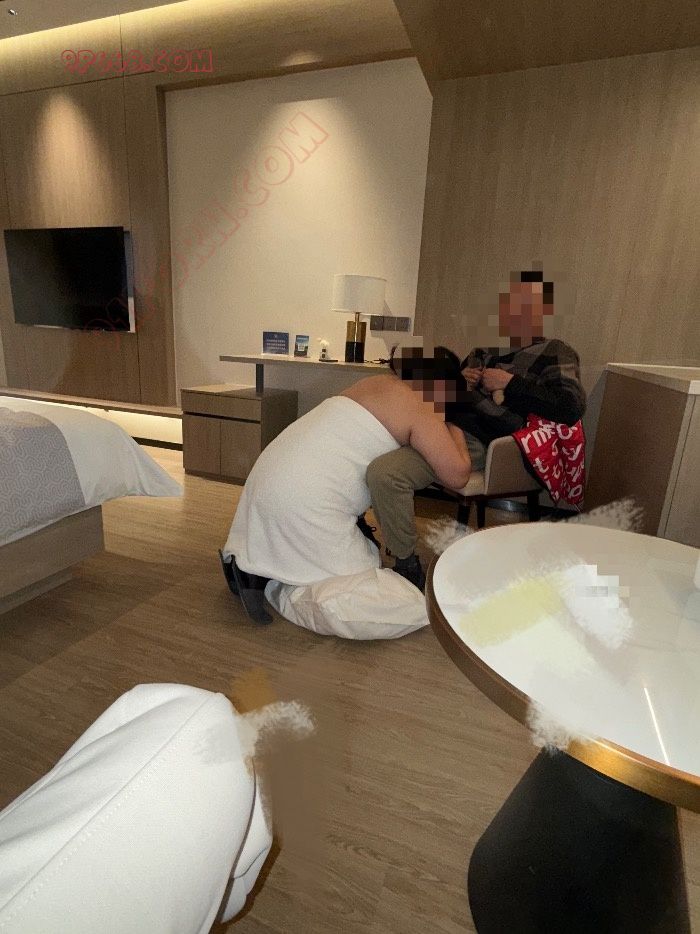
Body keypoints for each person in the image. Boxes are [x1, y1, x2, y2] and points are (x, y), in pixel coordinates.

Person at [220, 348, 471, 630]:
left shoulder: (374, 384)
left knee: (351, 554)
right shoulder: (421, 406)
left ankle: (253, 566)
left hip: (266, 484)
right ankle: (270, 578)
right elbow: (457, 475)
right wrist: (455, 426)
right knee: (368, 580)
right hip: (304, 504)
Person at [366, 269, 587, 590]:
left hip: (489, 440)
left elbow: (570, 407)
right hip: (440, 422)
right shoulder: (484, 351)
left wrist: (511, 383)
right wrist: (461, 379)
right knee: (369, 450)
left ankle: (406, 564)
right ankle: (364, 538)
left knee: (386, 472)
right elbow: (448, 394)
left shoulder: (556, 352)